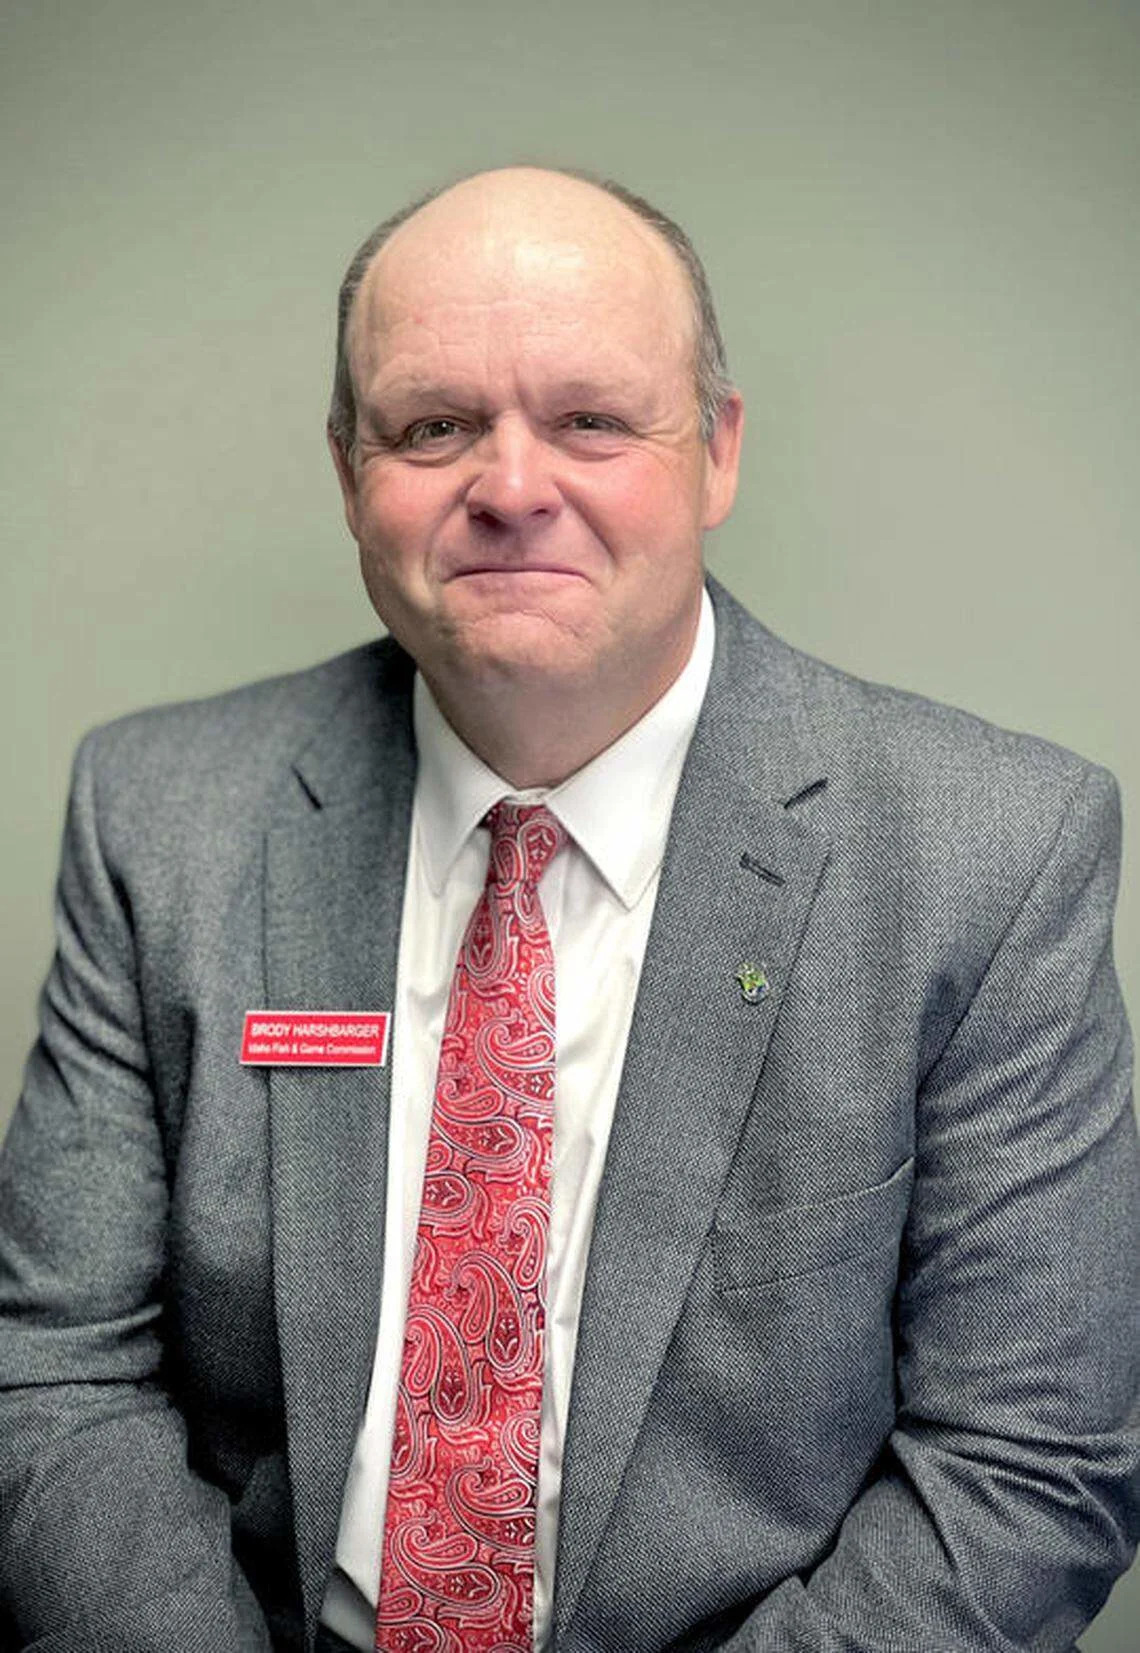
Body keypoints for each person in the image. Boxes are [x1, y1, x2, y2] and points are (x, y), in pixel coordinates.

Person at [0, 165, 1136, 1653]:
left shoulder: (988, 855)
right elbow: (58, 1370)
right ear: (349, 473)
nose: (513, 487)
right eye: (433, 427)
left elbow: (1027, 1465)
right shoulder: (164, 818)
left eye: (593, 419)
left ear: (717, 452)